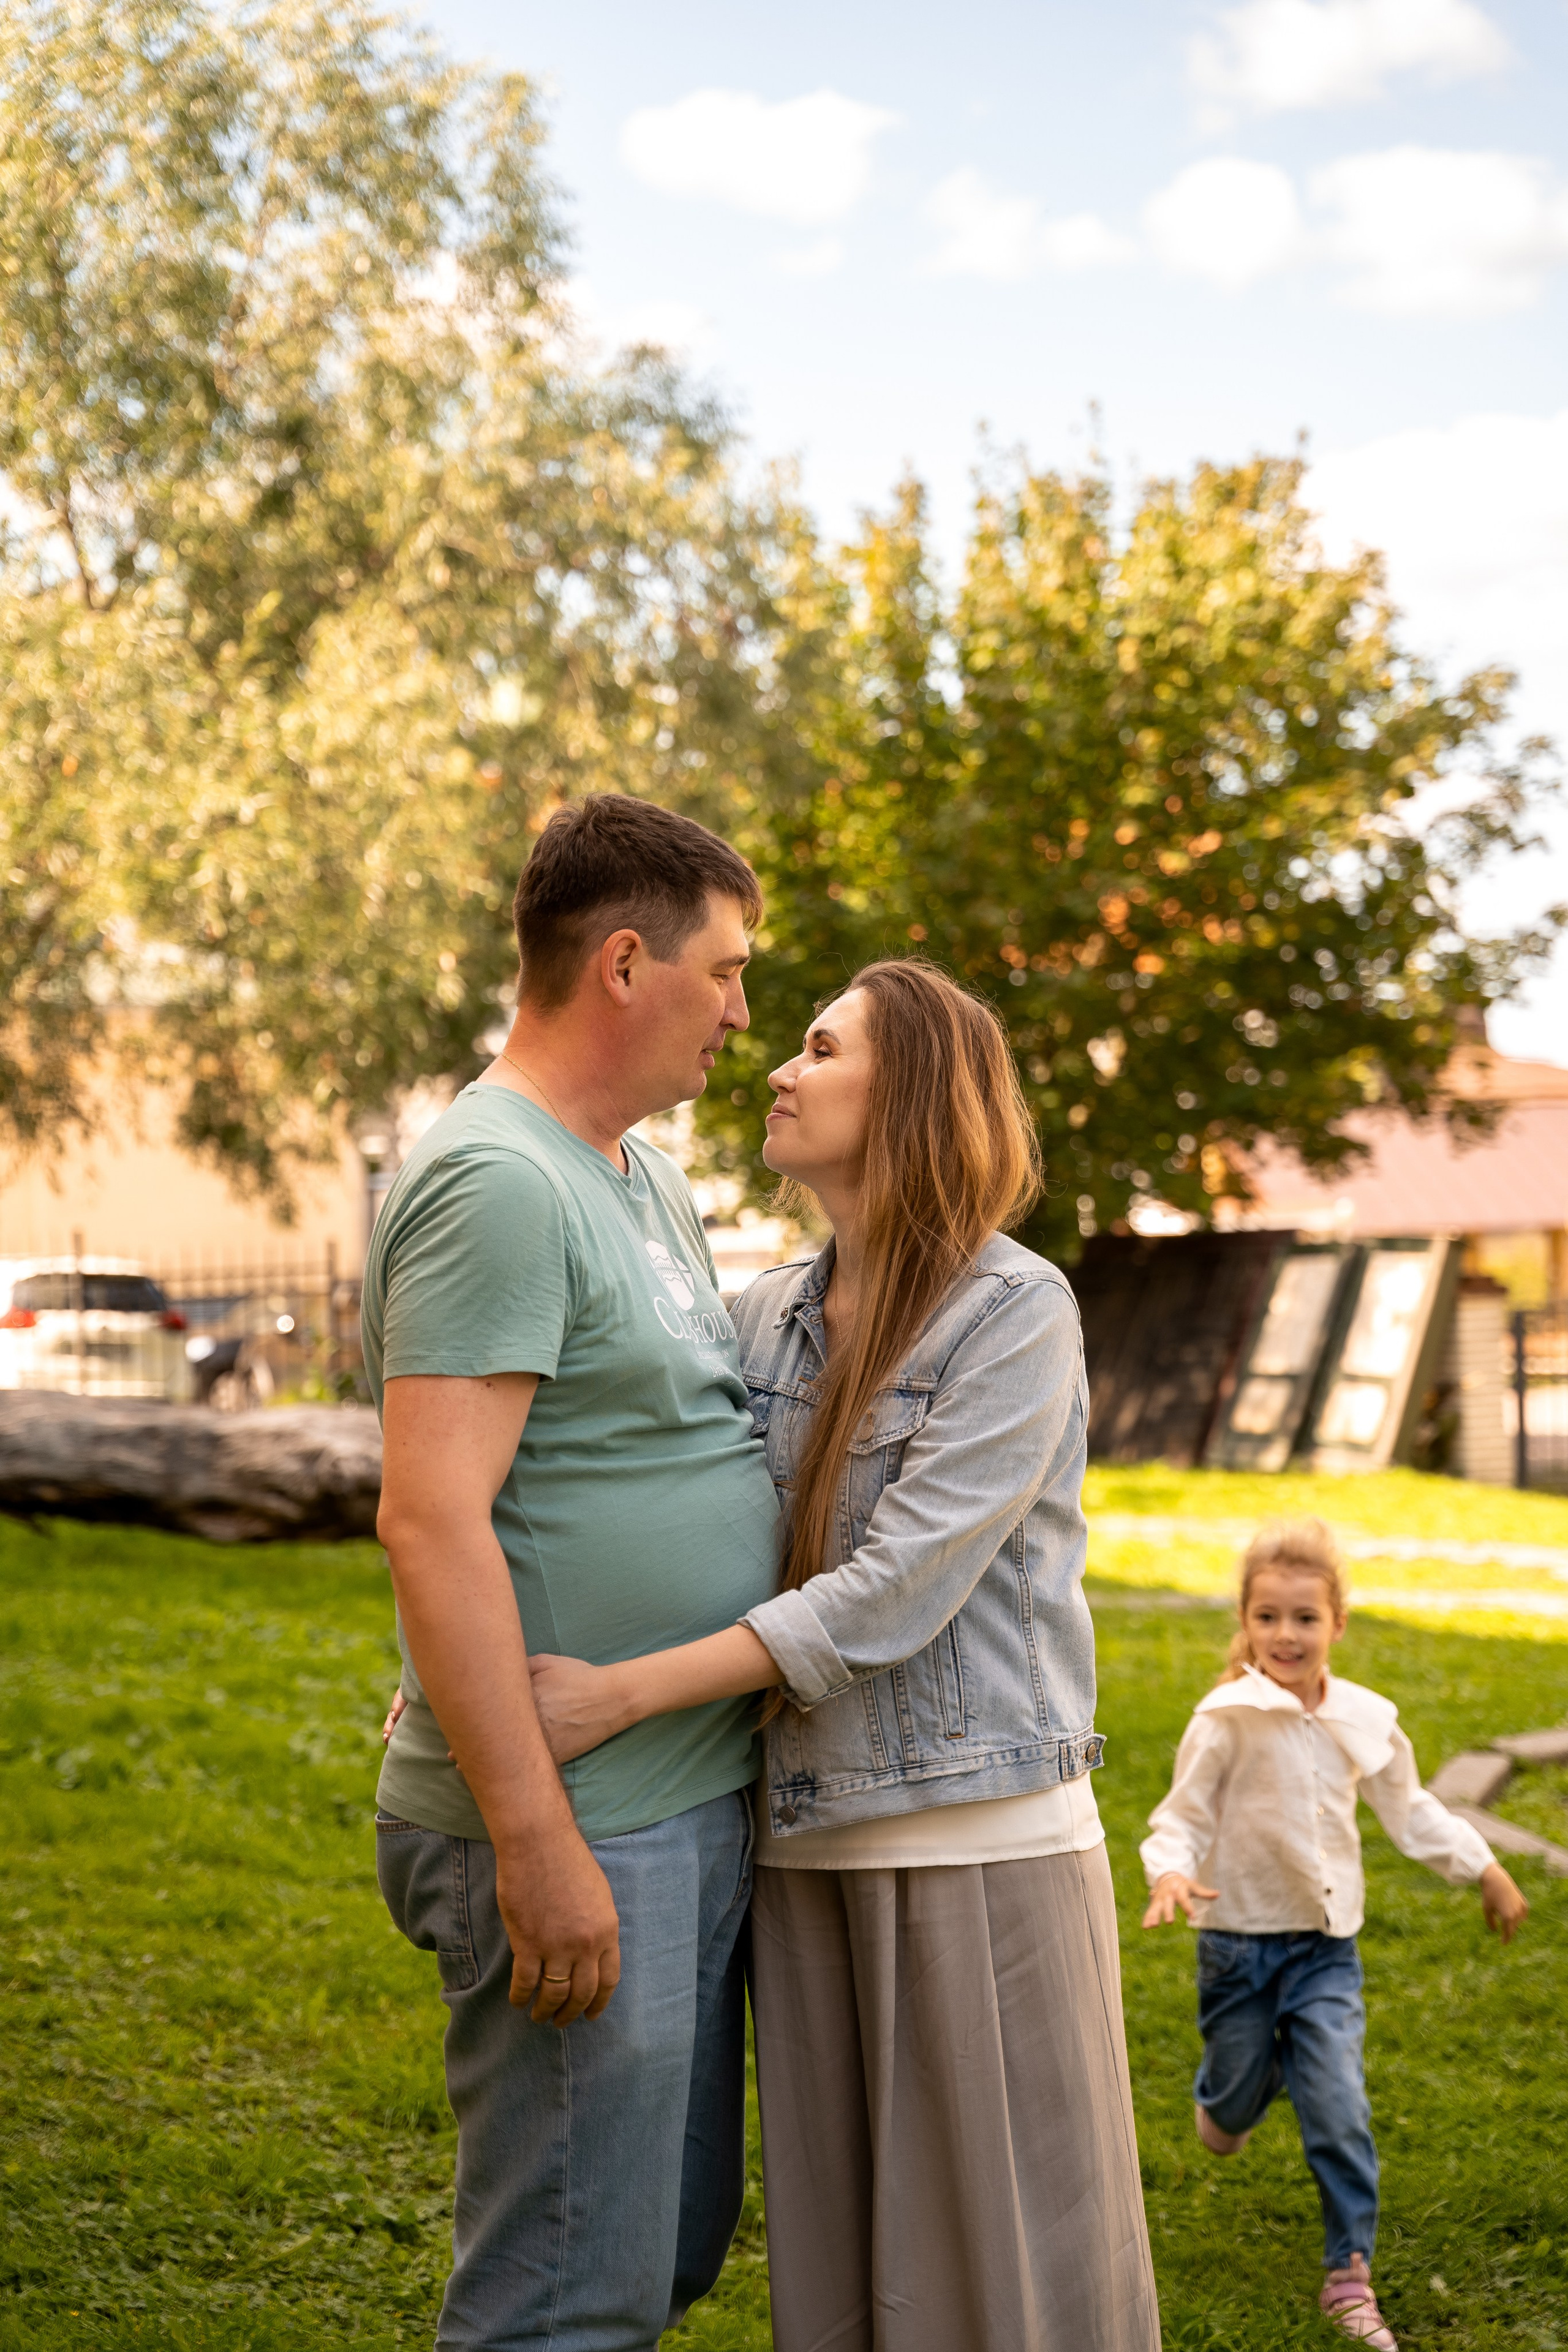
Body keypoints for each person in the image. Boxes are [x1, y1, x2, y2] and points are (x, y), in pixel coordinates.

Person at [529, 959, 1162, 2352]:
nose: (776, 1066)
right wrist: (482, 1642)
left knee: (998, 2289)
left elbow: (890, 1594)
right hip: (798, 1853)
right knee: (847, 2291)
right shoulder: (756, 1315)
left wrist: (617, 1696)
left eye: (818, 1047)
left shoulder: (1014, 1312)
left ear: (913, 1094)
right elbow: (652, 1515)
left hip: (969, 1847)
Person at [366, 794, 782, 2350]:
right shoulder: (499, 1182)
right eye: (725, 970)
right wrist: (533, 1844)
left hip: (679, 1791)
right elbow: (432, 1517)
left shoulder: (633, 1171)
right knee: (562, 2303)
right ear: (624, 964)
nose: (744, 1011)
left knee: (655, 2252)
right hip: (581, 1826)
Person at [1140, 1518, 1529, 2352]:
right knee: (1237, 2097)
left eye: (1305, 1618)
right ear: (1245, 1622)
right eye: (1269, 1617)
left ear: (1338, 1625)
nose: (1287, 1634)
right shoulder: (1225, 1719)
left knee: (1339, 2103)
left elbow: (1413, 1808)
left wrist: (1484, 1867)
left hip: (1325, 1949)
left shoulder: (1365, 1720)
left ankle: (1348, 2273)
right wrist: (1169, 1869)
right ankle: (1230, 2097)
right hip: (1237, 1946)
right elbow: (1182, 1815)